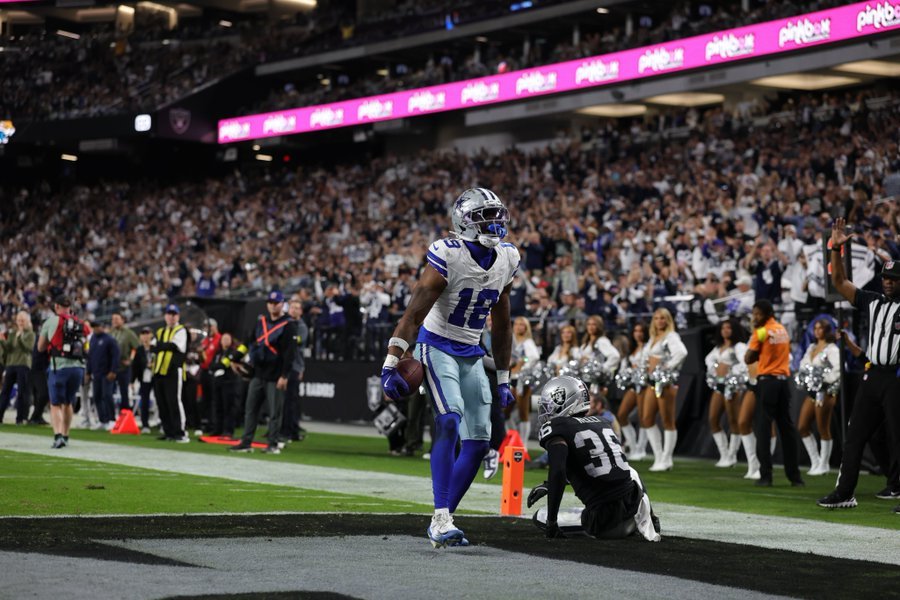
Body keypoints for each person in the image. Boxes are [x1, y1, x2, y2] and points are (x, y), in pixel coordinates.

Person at [380, 188, 517, 548]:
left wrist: (504, 377)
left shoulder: (507, 258)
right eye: (485, 216)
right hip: (436, 345)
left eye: (497, 215)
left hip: (471, 351)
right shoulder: (448, 254)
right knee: (450, 419)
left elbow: (503, 324)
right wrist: (391, 362)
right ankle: (442, 517)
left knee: (480, 441)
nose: (494, 223)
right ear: (464, 221)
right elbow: (413, 315)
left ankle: (442, 520)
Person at [818, 218, 900, 509]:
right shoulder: (872, 301)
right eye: (886, 278)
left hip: (896, 377)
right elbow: (839, 282)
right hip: (872, 375)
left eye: (894, 279)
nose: (888, 282)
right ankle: (844, 492)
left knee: (897, 437)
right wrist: (835, 249)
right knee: (854, 436)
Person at [526, 376, 660, 541]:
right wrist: (549, 485)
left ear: (565, 401)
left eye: (549, 404)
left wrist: (551, 523)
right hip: (634, 511)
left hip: (605, 524)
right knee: (630, 470)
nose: (546, 409)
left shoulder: (556, 427)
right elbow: (599, 467)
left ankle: (591, 527)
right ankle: (651, 518)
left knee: (540, 516)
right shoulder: (602, 422)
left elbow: (558, 471)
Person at [744, 299, 804, 487]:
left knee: (763, 428)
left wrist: (756, 345)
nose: (755, 317)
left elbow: (748, 358)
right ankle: (795, 477)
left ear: (766, 314)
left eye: (758, 314)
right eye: (754, 314)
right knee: (787, 428)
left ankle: (766, 475)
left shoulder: (762, 331)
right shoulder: (781, 329)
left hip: (768, 382)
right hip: (784, 383)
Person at [230, 290, 297, 454]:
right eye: (270, 303)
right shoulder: (261, 322)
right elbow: (247, 342)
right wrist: (235, 358)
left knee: (275, 412)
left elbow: (290, 353)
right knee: (250, 409)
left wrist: (284, 375)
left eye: (276, 303)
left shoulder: (289, 325)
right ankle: (246, 442)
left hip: (276, 375)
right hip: (258, 373)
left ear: (282, 304)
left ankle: (273, 444)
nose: (273, 306)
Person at [37, 296, 89, 449]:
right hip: (78, 368)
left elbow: (40, 347)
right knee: (68, 402)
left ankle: (58, 435)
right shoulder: (80, 322)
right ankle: (66, 435)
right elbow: (86, 343)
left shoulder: (51, 321)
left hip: (59, 367)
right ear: (69, 307)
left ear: (56, 306)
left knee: (55, 404)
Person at [640, 308, 688, 472]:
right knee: (647, 418)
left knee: (667, 420)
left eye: (663, 318)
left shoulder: (671, 336)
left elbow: (682, 353)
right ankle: (659, 457)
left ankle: (667, 459)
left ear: (668, 321)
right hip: (652, 381)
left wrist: (666, 366)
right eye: (656, 318)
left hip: (665, 382)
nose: (659, 321)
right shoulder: (653, 337)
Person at [796, 318, 840, 476]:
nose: (817, 331)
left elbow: (837, 369)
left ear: (827, 330)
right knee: (802, 427)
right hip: (812, 391)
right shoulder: (811, 347)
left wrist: (823, 380)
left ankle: (824, 464)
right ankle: (815, 461)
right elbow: (803, 364)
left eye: (820, 328)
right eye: (815, 328)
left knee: (823, 428)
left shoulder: (832, 349)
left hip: (825, 391)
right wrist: (805, 377)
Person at [704, 318, 748, 468]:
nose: (725, 331)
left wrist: (731, 371)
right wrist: (714, 368)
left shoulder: (739, 346)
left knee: (733, 420)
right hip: (719, 385)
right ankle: (724, 454)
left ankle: (732, 455)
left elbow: (745, 363)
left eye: (729, 328)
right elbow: (708, 359)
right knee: (713, 419)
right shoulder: (718, 347)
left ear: (735, 330)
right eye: (723, 328)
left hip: (732, 386)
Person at [152, 303, 190, 443]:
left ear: (178, 316)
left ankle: (180, 432)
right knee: (162, 402)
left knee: (174, 401)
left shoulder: (181, 330)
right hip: (159, 370)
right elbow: (153, 347)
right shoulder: (161, 331)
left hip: (173, 370)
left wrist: (161, 346)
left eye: (174, 314)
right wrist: (162, 346)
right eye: (169, 314)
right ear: (165, 316)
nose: (171, 317)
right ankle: (168, 431)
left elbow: (175, 346)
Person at [617, 322, 648, 461]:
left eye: (641, 331)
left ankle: (641, 449)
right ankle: (633, 446)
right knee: (622, 414)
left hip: (645, 385)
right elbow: (624, 367)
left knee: (643, 417)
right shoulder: (631, 349)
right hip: (633, 385)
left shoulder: (648, 347)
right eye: (636, 331)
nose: (638, 334)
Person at [579, 315, 621, 415]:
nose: (591, 327)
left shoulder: (602, 341)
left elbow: (615, 356)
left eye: (594, 324)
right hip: (586, 381)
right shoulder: (586, 341)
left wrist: (602, 369)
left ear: (599, 326)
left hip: (596, 383)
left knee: (597, 410)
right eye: (589, 324)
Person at [508, 316, 540, 445]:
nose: (518, 327)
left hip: (522, 380)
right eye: (516, 324)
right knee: (505, 412)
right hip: (509, 378)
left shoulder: (528, 342)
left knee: (523, 412)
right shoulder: (510, 340)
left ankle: (524, 444)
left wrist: (522, 363)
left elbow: (534, 358)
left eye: (522, 324)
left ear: (526, 327)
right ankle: (514, 438)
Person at [281, 298, 309, 443]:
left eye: (297, 308)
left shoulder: (302, 327)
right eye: (292, 307)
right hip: (283, 365)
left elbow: (294, 341)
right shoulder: (285, 323)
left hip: (294, 366)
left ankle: (290, 431)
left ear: (301, 311)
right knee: (281, 400)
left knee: (291, 400)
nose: (294, 310)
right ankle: (281, 429)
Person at [0, 311, 36, 425]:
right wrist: (2, 341)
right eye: (19, 320)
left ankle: (19, 418)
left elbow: (28, 349)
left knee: (22, 392)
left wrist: (20, 338)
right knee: (5, 391)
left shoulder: (31, 334)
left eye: (23, 320)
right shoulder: (12, 333)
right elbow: (8, 349)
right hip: (11, 364)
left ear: (27, 321)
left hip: (23, 365)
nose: (20, 322)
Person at [209, 332, 247, 437]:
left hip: (229, 383)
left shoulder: (234, 353)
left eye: (227, 339)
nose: (225, 341)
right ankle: (218, 429)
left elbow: (223, 365)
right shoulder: (218, 353)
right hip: (218, 382)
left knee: (229, 407)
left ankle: (228, 430)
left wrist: (220, 365)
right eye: (224, 339)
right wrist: (219, 365)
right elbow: (212, 366)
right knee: (218, 406)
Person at [85, 320, 120, 431]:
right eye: (94, 327)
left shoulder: (109, 339)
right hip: (96, 374)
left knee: (107, 396)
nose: (96, 328)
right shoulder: (93, 339)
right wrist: (88, 372)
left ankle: (112, 419)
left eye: (97, 326)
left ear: (102, 326)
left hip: (107, 373)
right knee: (97, 397)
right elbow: (90, 357)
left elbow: (115, 356)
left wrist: (113, 371)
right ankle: (102, 420)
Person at [110, 312, 140, 413]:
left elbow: (137, 348)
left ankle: (125, 414)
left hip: (124, 368)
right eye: (113, 319)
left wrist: (130, 360)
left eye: (116, 319)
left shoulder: (129, 333)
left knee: (124, 392)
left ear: (122, 320)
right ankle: (111, 416)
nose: (114, 321)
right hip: (112, 368)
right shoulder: (111, 333)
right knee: (109, 392)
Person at [133, 326, 155, 433]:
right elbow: (135, 366)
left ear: (151, 335)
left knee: (161, 401)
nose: (145, 336)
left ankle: (163, 424)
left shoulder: (156, 348)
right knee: (144, 401)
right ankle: (145, 424)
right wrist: (132, 381)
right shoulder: (139, 350)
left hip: (156, 377)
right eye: (143, 334)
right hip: (144, 378)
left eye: (147, 333)